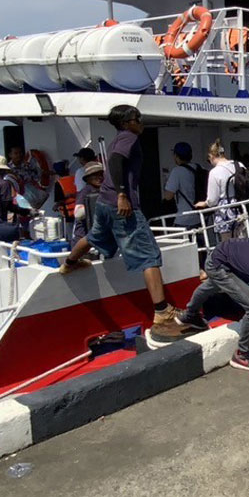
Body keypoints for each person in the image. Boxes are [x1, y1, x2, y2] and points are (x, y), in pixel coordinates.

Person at [59, 105, 182, 329]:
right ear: (126, 123)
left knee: (95, 235)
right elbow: (115, 162)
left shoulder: (118, 137)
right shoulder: (129, 138)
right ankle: (162, 310)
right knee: (149, 255)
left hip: (104, 202)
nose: (141, 121)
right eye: (137, 118)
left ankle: (69, 264)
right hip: (121, 204)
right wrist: (123, 194)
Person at [162, 142, 202, 230]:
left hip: (184, 219)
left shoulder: (177, 171)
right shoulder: (198, 168)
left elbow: (168, 196)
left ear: (176, 155)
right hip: (200, 217)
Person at [70, 161, 104, 245]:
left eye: (101, 174)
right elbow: (78, 214)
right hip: (83, 239)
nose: (99, 177)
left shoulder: (104, 190)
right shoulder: (86, 191)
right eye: (95, 175)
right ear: (88, 179)